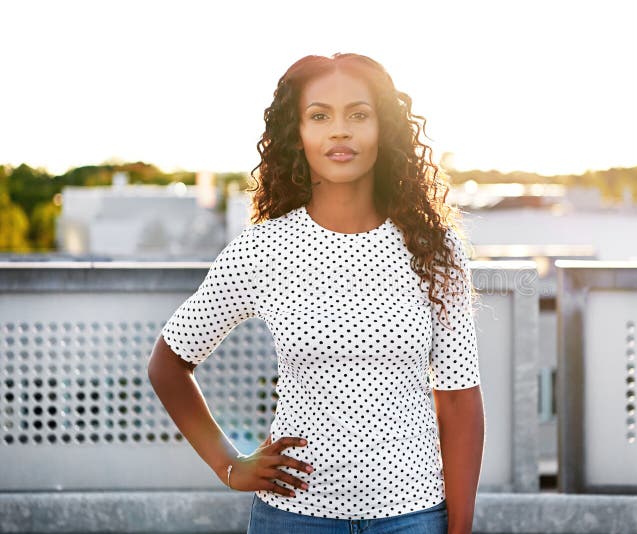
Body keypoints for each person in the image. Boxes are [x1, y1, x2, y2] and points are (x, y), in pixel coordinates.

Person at [147, 52, 485, 534]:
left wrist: (460, 527)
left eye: (359, 115)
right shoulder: (264, 249)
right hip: (292, 519)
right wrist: (229, 464)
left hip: (413, 517)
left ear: (383, 128)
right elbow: (169, 361)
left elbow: (458, 398)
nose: (340, 131)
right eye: (320, 115)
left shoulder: (434, 247)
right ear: (297, 133)